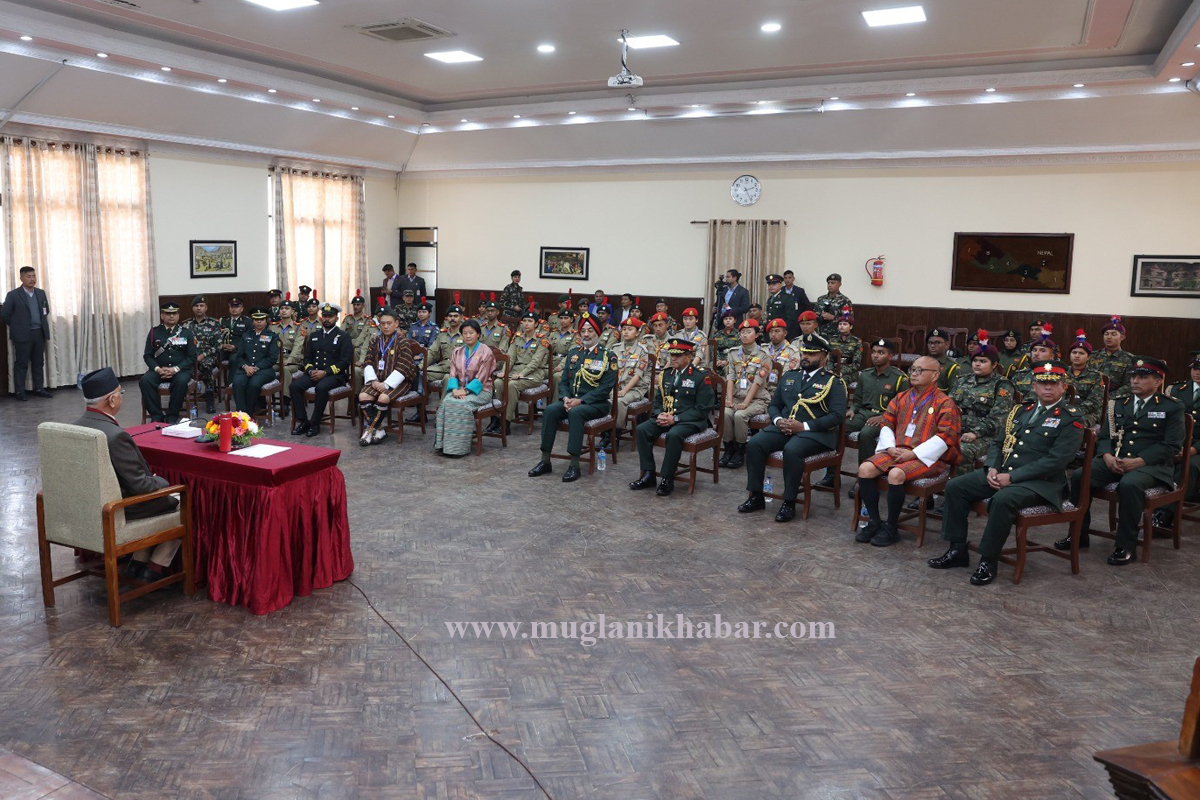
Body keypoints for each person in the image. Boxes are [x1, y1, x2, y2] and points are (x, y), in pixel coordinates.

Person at [929, 360, 1085, 585]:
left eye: (1054, 383)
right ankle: (957, 550)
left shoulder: (1071, 418)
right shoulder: (1022, 411)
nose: (1048, 388)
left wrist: (1012, 477)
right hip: (1003, 472)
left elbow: (1057, 460)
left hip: (1041, 483)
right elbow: (998, 443)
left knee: (1003, 499)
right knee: (956, 486)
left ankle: (988, 560)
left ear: (1064, 387)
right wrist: (992, 467)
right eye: (1042, 383)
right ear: (1033, 386)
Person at [1065, 356, 1184, 565]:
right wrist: (1107, 456)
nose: (1135, 381)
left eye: (1142, 377)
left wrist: (1140, 461)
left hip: (1153, 467)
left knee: (1129, 484)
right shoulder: (1118, 404)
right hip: (1117, 460)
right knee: (1079, 476)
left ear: (1158, 381)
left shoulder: (1172, 407)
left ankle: (1125, 545)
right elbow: (1104, 437)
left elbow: (1172, 445)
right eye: (1133, 377)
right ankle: (1078, 535)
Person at [76, 367, 181, 582]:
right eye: (120, 393)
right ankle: (154, 569)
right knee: (186, 502)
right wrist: (163, 480)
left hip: (87, 508)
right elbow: (142, 486)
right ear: (113, 400)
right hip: (119, 511)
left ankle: (138, 561)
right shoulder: (115, 436)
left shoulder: (77, 428)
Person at [738, 333, 848, 522]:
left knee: (792, 450)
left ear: (824, 357)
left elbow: (837, 416)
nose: (806, 357)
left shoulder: (833, 382)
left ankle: (789, 502)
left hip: (816, 434)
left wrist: (803, 426)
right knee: (755, 443)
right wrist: (778, 420)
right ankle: (756, 495)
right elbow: (774, 405)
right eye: (804, 353)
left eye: (811, 354)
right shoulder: (790, 376)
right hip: (785, 427)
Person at [855, 356, 961, 546]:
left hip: (928, 457)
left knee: (896, 474)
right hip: (898, 449)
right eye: (913, 369)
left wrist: (914, 454)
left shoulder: (944, 403)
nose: (914, 373)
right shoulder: (902, 397)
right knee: (865, 469)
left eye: (921, 370)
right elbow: (887, 421)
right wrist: (890, 447)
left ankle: (891, 527)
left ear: (935, 375)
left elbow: (946, 437)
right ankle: (875, 521)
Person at [530, 313, 617, 481]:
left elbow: (605, 388)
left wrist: (581, 401)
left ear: (597, 332)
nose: (586, 334)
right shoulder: (574, 353)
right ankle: (545, 460)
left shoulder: (607, 356)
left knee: (576, 413)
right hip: (572, 400)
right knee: (550, 410)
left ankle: (574, 464)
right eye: (583, 331)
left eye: (590, 330)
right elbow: (563, 382)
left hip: (596, 404)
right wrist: (565, 398)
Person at [629, 337, 716, 496]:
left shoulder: (700, 376)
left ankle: (667, 478)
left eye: (678, 355)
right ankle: (648, 473)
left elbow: (703, 409)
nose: (673, 358)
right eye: (672, 355)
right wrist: (659, 414)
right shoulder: (666, 374)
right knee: (642, 429)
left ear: (689, 357)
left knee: (674, 434)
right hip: (667, 417)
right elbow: (657, 400)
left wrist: (675, 419)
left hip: (691, 420)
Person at [946, 332, 1015, 474]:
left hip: (987, 436)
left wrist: (976, 433)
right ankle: (933, 487)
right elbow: (948, 408)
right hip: (957, 430)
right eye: (975, 360)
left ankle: (961, 489)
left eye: (983, 361)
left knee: (962, 450)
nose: (977, 364)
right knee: (928, 442)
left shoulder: (1002, 385)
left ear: (994, 364)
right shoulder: (962, 381)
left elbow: (999, 419)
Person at [845, 339, 908, 485]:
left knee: (866, 434)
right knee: (839, 426)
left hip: (884, 418)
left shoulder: (899, 378)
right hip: (863, 413)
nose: (875, 355)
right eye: (873, 352)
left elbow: (902, 408)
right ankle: (831, 473)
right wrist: (852, 409)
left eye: (881, 352)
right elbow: (858, 399)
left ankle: (865, 477)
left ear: (890, 356)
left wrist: (884, 417)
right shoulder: (865, 375)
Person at [434, 320, 497, 457]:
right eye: (464, 333)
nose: (467, 336)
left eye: (471, 333)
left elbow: (483, 376)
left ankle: (458, 448)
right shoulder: (458, 351)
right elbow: (452, 373)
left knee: (462, 404)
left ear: (478, 334)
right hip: (459, 389)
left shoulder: (486, 352)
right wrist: (455, 389)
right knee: (446, 402)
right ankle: (443, 444)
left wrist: (466, 391)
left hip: (481, 391)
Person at [290, 303, 353, 438]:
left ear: (336, 318)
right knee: (294, 386)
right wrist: (311, 369)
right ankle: (303, 421)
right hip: (315, 373)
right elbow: (307, 358)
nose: (327, 319)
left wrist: (326, 372)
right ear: (321, 317)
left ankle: (315, 423)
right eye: (324, 316)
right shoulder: (314, 336)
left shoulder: (343, 337)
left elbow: (345, 362)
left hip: (334, 375)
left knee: (321, 387)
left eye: (330, 316)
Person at [358, 308, 418, 446]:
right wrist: (373, 381)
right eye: (382, 323)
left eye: (389, 323)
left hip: (399, 382)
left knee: (383, 397)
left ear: (396, 323)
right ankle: (378, 430)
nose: (385, 326)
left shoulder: (403, 342)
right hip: (376, 380)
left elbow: (404, 368)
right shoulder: (375, 341)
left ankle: (369, 430)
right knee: (363, 396)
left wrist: (386, 384)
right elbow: (367, 361)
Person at [720, 319, 769, 470]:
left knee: (740, 415)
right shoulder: (733, 353)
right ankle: (729, 449)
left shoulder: (763, 355)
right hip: (736, 397)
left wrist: (746, 403)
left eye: (749, 332)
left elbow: (757, 382)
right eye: (742, 332)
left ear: (756, 334)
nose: (745, 335)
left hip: (756, 399)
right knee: (727, 412)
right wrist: (728, 400)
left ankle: (740, 451)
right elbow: (730, 377)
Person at [496, 302, 551, 435]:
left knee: (512, 385)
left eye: (530, 321)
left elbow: (536, 362)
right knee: (498, 382)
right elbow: (510, 356)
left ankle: (506, 422)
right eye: (524, 321)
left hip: (534, 373)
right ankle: (496, 419)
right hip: (516, 370)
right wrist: (504, 371)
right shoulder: (517, 337)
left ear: (536, 324)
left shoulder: (542, 340)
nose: (526, 324)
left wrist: (521, 374)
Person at [139, 302, 198, 423]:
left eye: (174, 313)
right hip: (159, 369)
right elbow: (148, 355)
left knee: (181, 382)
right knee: (145, 381)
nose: (172, 316)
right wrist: (157, 369)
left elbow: (192, 357)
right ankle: (157, 415)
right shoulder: (154, 332)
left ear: (178, 315)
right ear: (162, 315)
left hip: (180, 370)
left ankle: (172, 415)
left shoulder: (186, 333)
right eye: (168, 313)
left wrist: (175, 369)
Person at [2, 266, 51, 400]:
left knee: (38, 362)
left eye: (34, 276)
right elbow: (5, 314)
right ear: (21, 278)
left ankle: (39, 388)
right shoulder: (13, 295)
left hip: (39, 333)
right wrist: (18, 326)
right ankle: (20, 392)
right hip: (23, 335)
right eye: (29, 276)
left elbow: (46, 310)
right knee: (22, 364)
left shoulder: (40, 293)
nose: (32, 279)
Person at [1164, 351, 1200, 505]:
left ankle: (1166, 512)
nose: (1197, 372)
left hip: (1197, 449)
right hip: (1176, 443)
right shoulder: (1175, 390)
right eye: (1195, 368)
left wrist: (1192, 450)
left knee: (1188, 466)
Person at [230, 307, 280, 415]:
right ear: (252, 321)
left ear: (266, 321)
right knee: (237, 383)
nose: (259, 322)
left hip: (264, 370)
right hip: (245, 369)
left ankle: (249, 414)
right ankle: (241, 414)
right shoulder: (246, 335)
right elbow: (239, 356)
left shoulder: (272, 336)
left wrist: (256, 367)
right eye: (256, 320)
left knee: (253, 385)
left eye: (261, 319)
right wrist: (245, 366)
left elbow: (272, 358)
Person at [612, 317, 651, 438]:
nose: (626, 332)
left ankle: (614, 434)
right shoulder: (615, 348)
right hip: (616, 387)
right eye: (624, 329)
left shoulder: (642, 351)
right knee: (601, 398)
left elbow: (638, 375)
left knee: (619, 401)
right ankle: (605, 429)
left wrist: (624, 390)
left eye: (630, 329)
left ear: (638, 332)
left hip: (634, 389)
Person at [184, 295, 222, 414]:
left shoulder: (214, 323)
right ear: (192, 308)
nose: (199, 308)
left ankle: (209, 397)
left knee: (206, 365)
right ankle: (183, 396)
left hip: (208, 356)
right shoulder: (186, 325)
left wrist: (204, 355)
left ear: (206, 308)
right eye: (196, 306)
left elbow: (218, 345)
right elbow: (181, 344)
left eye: (201, 306)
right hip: (191, 357)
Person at [270, 300, 304, 418]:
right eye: (282, 308)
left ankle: (285, 401)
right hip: (276, 359)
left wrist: (289, 360)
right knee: (264, 369)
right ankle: (261, 401)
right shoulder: (273, 327)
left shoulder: (298, 328)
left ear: (292, 311)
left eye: (287, 308)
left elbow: (298, 346)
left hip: (292, 361)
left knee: (285, 370)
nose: (284, 310)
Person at [1065, 330, 1105, 426]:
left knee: (1074, 424)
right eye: (1074, 352)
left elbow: (1095, 401)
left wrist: (1075, 412)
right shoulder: (1062, 373)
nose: (1077, 356)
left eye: (1081, 353)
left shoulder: (1096, 376)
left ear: (1088, 357)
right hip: (1064, 409)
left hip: (1088, 413)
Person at [426, 298, 467, 387]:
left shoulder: (466, 334)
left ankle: (445, 401)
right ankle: (422, 399)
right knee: (423, 373)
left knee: (447, 378)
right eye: (450, 316)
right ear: (447, 318)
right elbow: (432, 352)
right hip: (444, 367)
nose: (452, 318)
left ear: (461, 318)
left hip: (460, 369)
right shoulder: (442, 334)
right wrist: (421, 366)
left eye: (456, 316)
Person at [1093, 315, 1136, 399]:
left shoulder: (1129, 359)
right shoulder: (1093, 356)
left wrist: (1108, 397)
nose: (1109, 337)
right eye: (1106, 334)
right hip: (1092, 397)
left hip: (1115, 399)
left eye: (1113, 334)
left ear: (1122, 337)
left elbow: (1130, 384)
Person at [1011, 330, 1058, 399]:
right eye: (1034, 350)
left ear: (1051, 356)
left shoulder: (1057, 375)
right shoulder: (1020, 375)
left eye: (1042, 351)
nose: (1036, 354)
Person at [831, 307, 862, 388]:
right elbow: (829, 358)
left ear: (851, 327)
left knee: (840, 383)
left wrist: (841, 371)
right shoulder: (832, 340)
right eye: (840, 324)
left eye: (845, 324)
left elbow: (856, 364)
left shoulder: (856, 342)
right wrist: (830, 369)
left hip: (849, 372)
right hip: (833, 369)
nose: (842, 326)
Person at [813, 273, 851, 339]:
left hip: (836, 336)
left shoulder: (844, 301)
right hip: (820, 334)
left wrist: (833, 317)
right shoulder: (821, 299)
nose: (830, 285)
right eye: (828, 283)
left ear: (839, 284)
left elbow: (847, 318)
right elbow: (814, 315)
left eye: (833, 283)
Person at [763, 274, 799, 340]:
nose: (771, 286)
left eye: (774, 284)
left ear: (780, 284)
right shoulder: (770, 299)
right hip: (771, 333)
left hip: (782, 334)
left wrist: (783, 332)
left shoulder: (787, 298)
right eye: (769, 284)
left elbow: (790, 319)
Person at [550, 310, 578, 385]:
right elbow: (546, 350)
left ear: (571, 319)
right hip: (551, 362)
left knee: (557, 376)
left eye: (566, 318)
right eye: (561, 318)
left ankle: (556, 397)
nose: (563, 321)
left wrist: (561, 366)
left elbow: (571, 353)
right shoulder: (554, 333)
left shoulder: (575, 335)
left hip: (566, 364)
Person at [220, 297, 251, 365]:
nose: (234, 309)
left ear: (241, 309)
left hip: (238, 350)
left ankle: (232, 376)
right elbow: (218, 336)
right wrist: (223, 345)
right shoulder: (223, 320)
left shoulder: (247, 321)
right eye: (232, 307)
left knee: (234, 360)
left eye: (236, 307)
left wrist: (235, 346)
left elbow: (248, 338)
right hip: (223, 349)